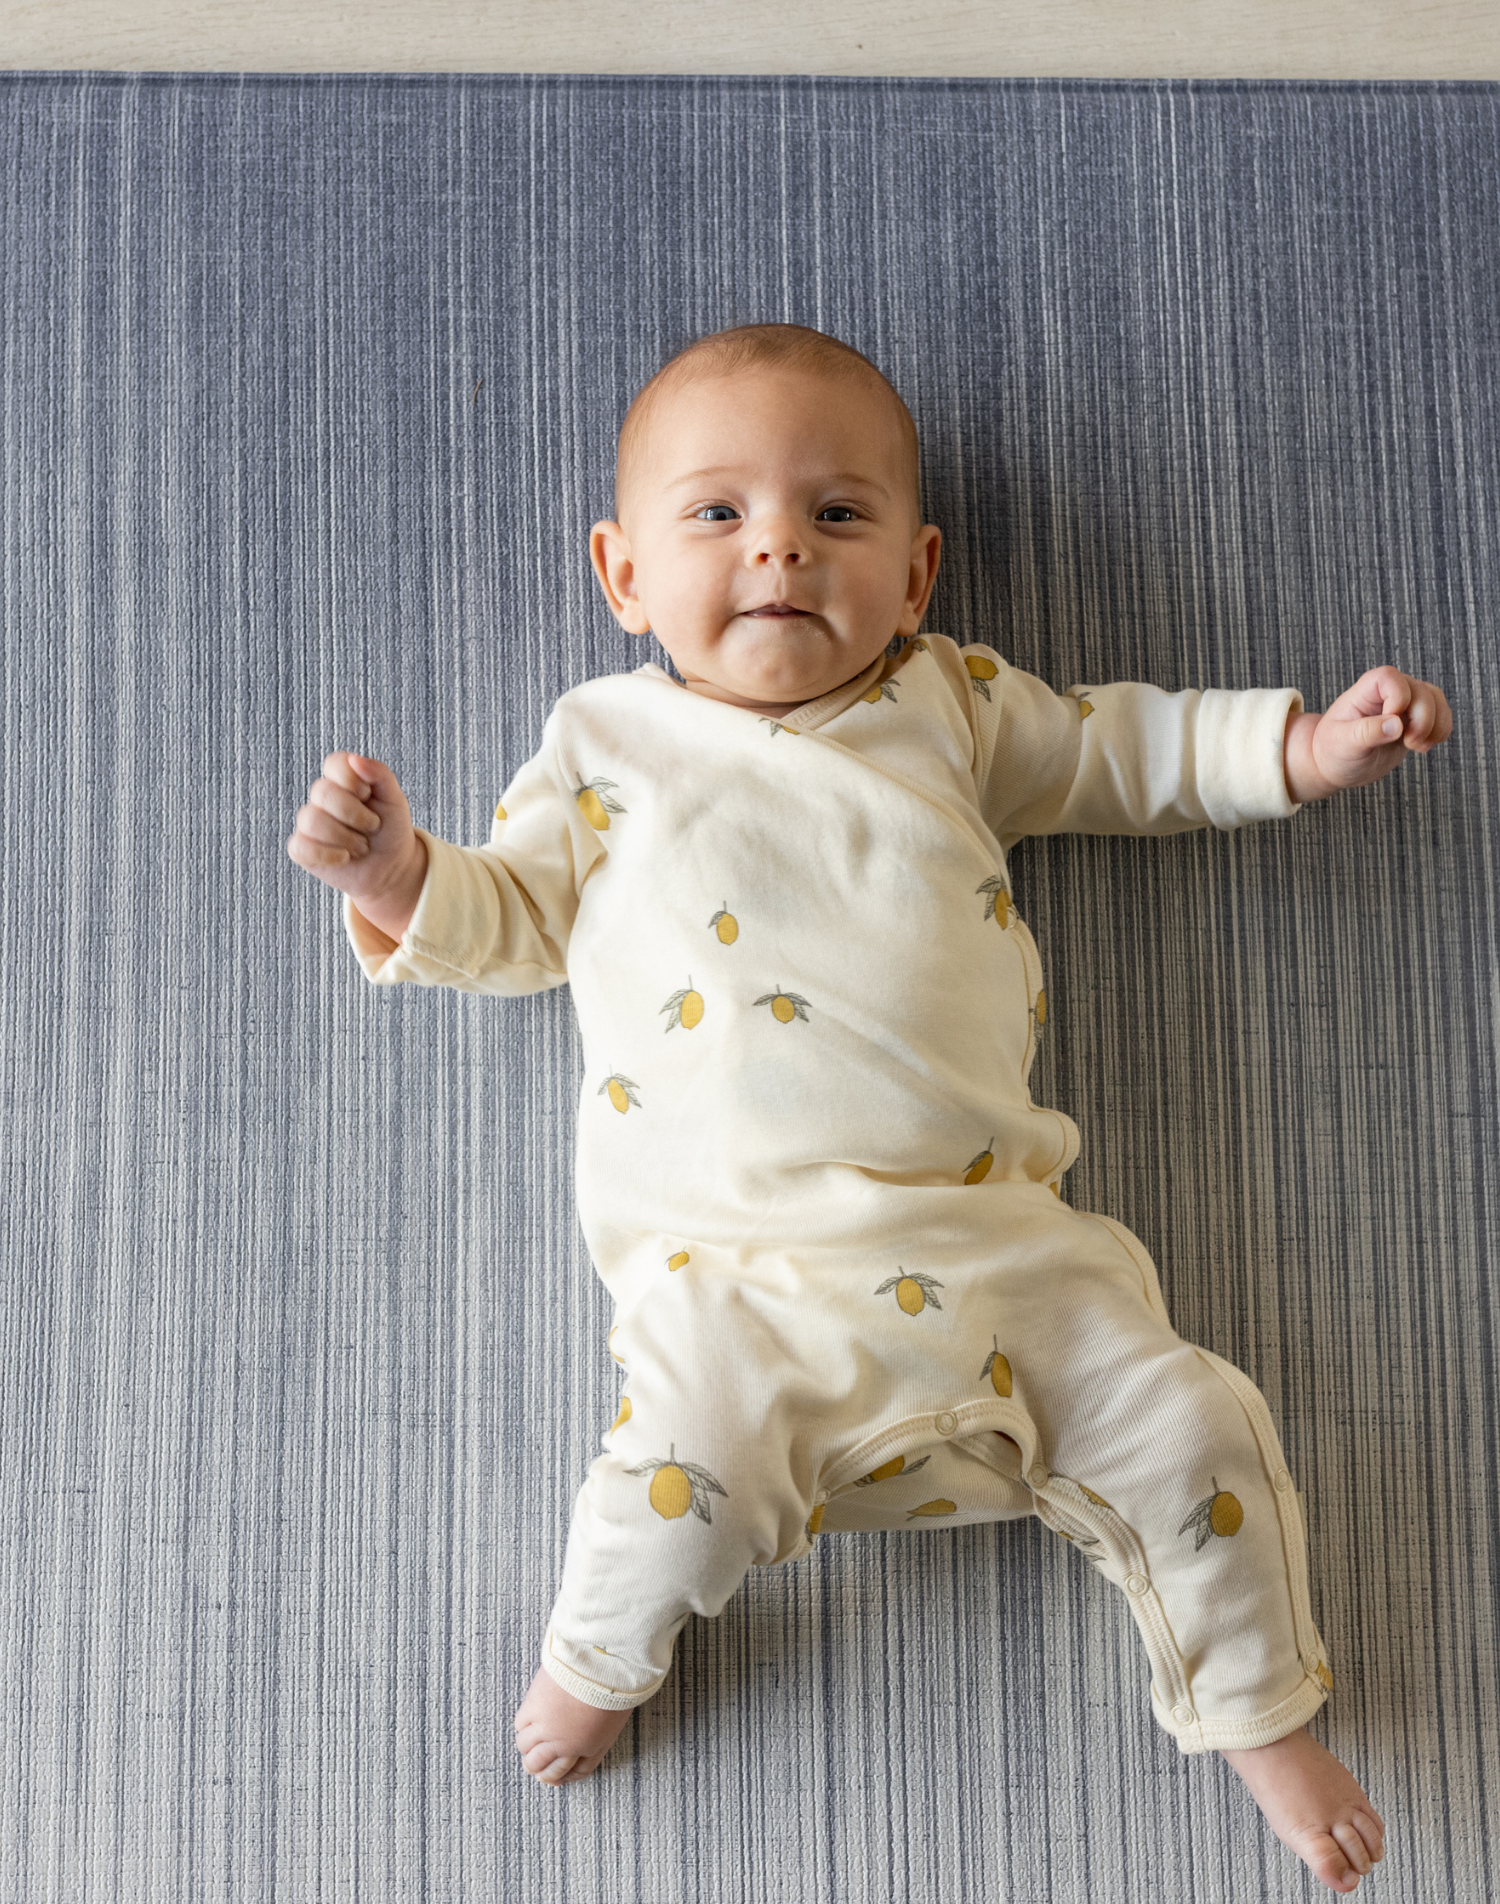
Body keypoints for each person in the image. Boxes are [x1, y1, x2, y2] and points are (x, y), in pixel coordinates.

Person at [287, 323, 1451, 1893]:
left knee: (1196, 1428)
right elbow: (513, 926)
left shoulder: (954, 706)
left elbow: (1128, 748)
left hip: (1006, 1253)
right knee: (666, 1485)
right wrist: (394, 876)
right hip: (735, 1280)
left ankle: (1256, 1712)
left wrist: (1300, 749)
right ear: (622, 575)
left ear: (915, 577)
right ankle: (596, 1662)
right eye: (718, 515)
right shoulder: (603, 745)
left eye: (837, 514)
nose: (776, 542)